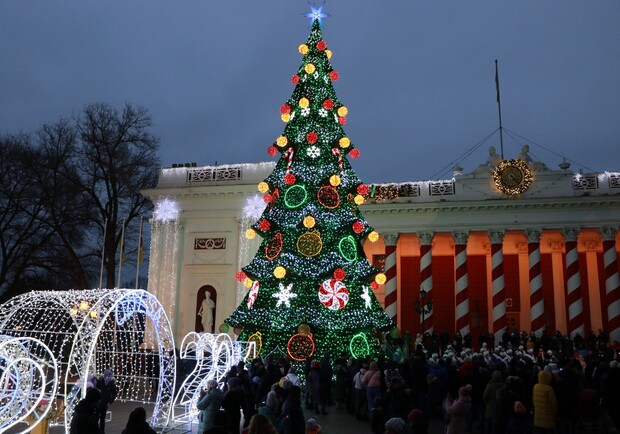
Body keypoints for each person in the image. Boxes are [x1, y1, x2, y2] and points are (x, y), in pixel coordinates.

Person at [95, 369, 118, 434]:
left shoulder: (112, 384)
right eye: (108, 375)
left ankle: (102, 431)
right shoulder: (100, 381)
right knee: (96, 417)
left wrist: (109, 402)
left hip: (105, 403)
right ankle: (96, 430)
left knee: (102, 418)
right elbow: (96, 388)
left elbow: (114, 394)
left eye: (110, 375)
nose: (109, 377)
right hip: (98, 402)